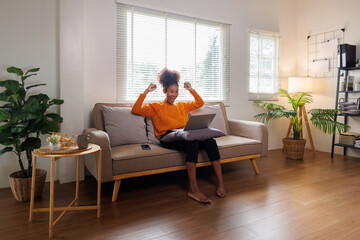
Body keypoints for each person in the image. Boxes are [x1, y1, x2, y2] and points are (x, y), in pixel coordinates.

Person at [131, 68, 226, 203]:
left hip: (184, 134)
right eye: (171, 91)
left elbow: (200, 103)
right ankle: (193, 189)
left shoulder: (182, 106)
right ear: (164, 91)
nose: (174, 95)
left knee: (210, 142)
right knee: (192, 144)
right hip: (167, 137)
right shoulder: (155, 106)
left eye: (176, 92)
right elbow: (136, 109)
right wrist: (146, 91)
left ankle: (220, 183)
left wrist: (191, 90)